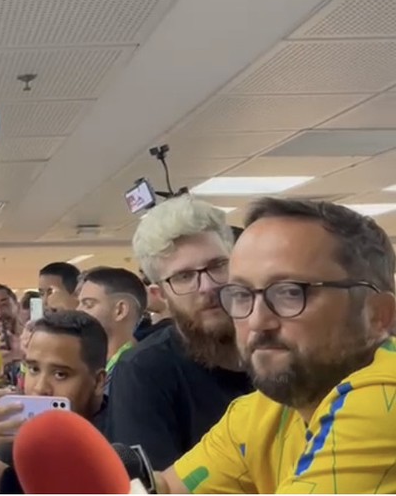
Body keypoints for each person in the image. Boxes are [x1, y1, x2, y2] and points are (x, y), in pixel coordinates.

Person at [154, 198, 396, 493]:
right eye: (242, 294)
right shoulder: (259, 414)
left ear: (378, 314)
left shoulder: (386, 396)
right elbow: (164, 489)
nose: (257, 321)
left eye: (290, 292)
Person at [106, 196, 252, 470]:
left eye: (218, 265)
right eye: (183, 276)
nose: (207, 286)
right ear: (161, 295)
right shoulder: (144, 372)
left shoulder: (280, 345)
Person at [0, 310, 109, 494]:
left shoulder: (122, 433)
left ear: (98, 382)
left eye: (60, 374)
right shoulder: (19, 428)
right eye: (33, 369)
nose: (40, 388)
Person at [75, 267, 146, 391]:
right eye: (79, 303)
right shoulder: (97, 363)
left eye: (88, 304)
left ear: (120, 310)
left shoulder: (136, 371)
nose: (78, 311)